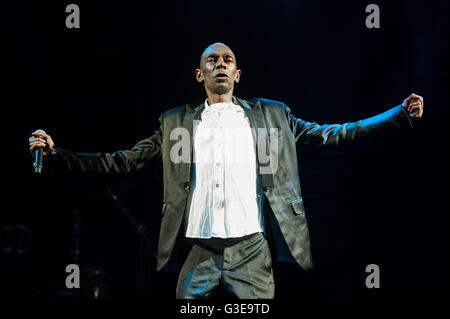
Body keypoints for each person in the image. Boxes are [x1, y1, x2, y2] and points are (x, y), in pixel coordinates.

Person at [28, 42, 424, 299]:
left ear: (237, 75)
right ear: (200, 74)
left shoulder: (272, 115)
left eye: (228, 61)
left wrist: (396, 116)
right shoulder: (175, 122)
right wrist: (58, 153)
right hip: (198, 249)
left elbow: (332, 135)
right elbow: (122, 160)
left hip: (251, 249)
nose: (220, 65)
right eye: (211, 61)